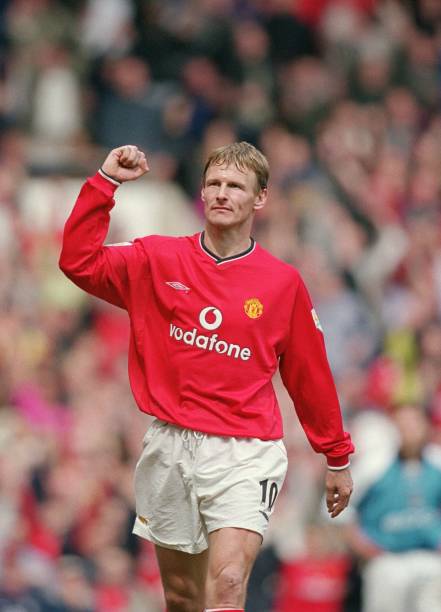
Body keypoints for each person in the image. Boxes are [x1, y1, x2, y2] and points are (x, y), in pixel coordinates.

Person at [59, 142, 354, 612]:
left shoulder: (282, 283)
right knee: (182, 597)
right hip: (170, 444)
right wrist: (105, 183)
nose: (221, 194)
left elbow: (309, 376)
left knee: (230, 580)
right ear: (200, 193)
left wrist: (335, 456)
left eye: (235, 186)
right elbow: (78, 261)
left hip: (245, 451)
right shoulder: (157, 260)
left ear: (259, 198)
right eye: (213, 184)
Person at [345, 403, 441, 612]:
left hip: (431, 559)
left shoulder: (437, 461)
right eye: (403, 424)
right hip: (387, 560)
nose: (409, 430)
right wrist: (367, 548)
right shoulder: (375, 465)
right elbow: (341, 510)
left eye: (414, 423)